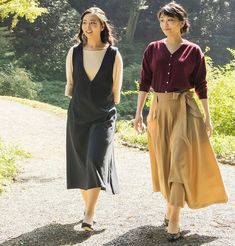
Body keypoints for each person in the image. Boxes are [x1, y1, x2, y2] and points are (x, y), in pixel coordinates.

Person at [134, 1, 228, 242]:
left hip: (185, 110)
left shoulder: (194, 51)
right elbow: (144, 82)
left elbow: (201, 85)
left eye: (170, 21)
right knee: (166, 164)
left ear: (182, 23)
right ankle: (170, 208)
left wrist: (208, 117)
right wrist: (138, 114)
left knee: (179, 161)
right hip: (159, 109)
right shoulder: (153, 48)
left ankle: (174, 219)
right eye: (162, 21)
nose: (165, 25)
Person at [65, 7, 123, 231]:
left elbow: (116, 89)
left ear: (102, 26)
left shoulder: (113, 54)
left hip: (103, 116)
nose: (87, 27)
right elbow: (71, 85)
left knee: (95, 160)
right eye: (85, 22)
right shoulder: (74, 52)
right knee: (81, 163)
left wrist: (105, 105)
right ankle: (88, 209)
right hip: (78, 114)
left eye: (93, 23)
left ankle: (89, 215)